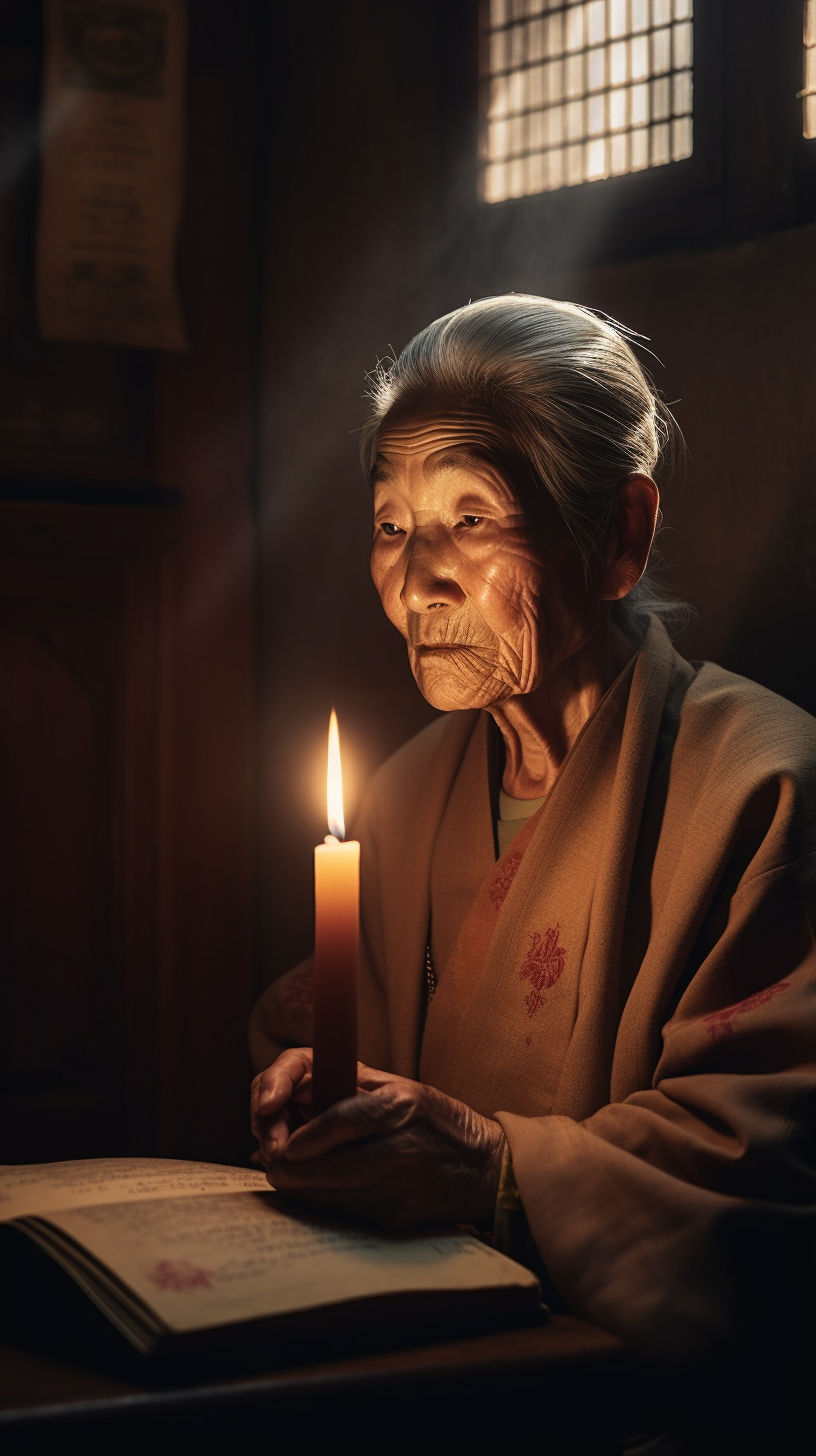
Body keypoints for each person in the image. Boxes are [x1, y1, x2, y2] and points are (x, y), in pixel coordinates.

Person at [249, 295, 816, 1363]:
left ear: (620, 535)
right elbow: (336, 1032)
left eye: (470, 519)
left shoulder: (762, 788)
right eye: (389, 525)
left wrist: (491, 1173)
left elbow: (773, 1167)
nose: (417, 580)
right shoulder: (406, 796)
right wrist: (310, 1095)